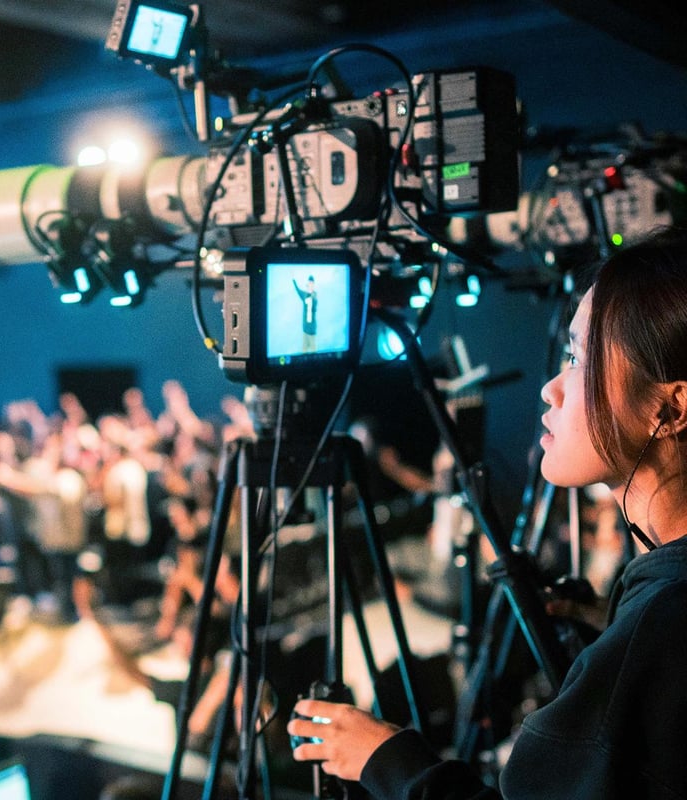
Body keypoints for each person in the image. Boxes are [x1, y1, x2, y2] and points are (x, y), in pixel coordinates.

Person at [288, 226, 687, 798]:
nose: (552, 389)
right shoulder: (657, 612)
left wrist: (387, 760)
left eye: (579, 359)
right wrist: (604, 629)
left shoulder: (662, 624)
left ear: (670, 408)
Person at [293, 275, 318, 352]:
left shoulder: (314, 297)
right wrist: (293, 281)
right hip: (305, 329)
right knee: (304, 351)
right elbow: (298, 290)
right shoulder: (304, 295)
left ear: (313, 285)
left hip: (311, 331)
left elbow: (314, 308)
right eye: (309, 283)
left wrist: (312, 297)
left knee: (313, 352)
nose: (310, 285)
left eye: (312, 283)